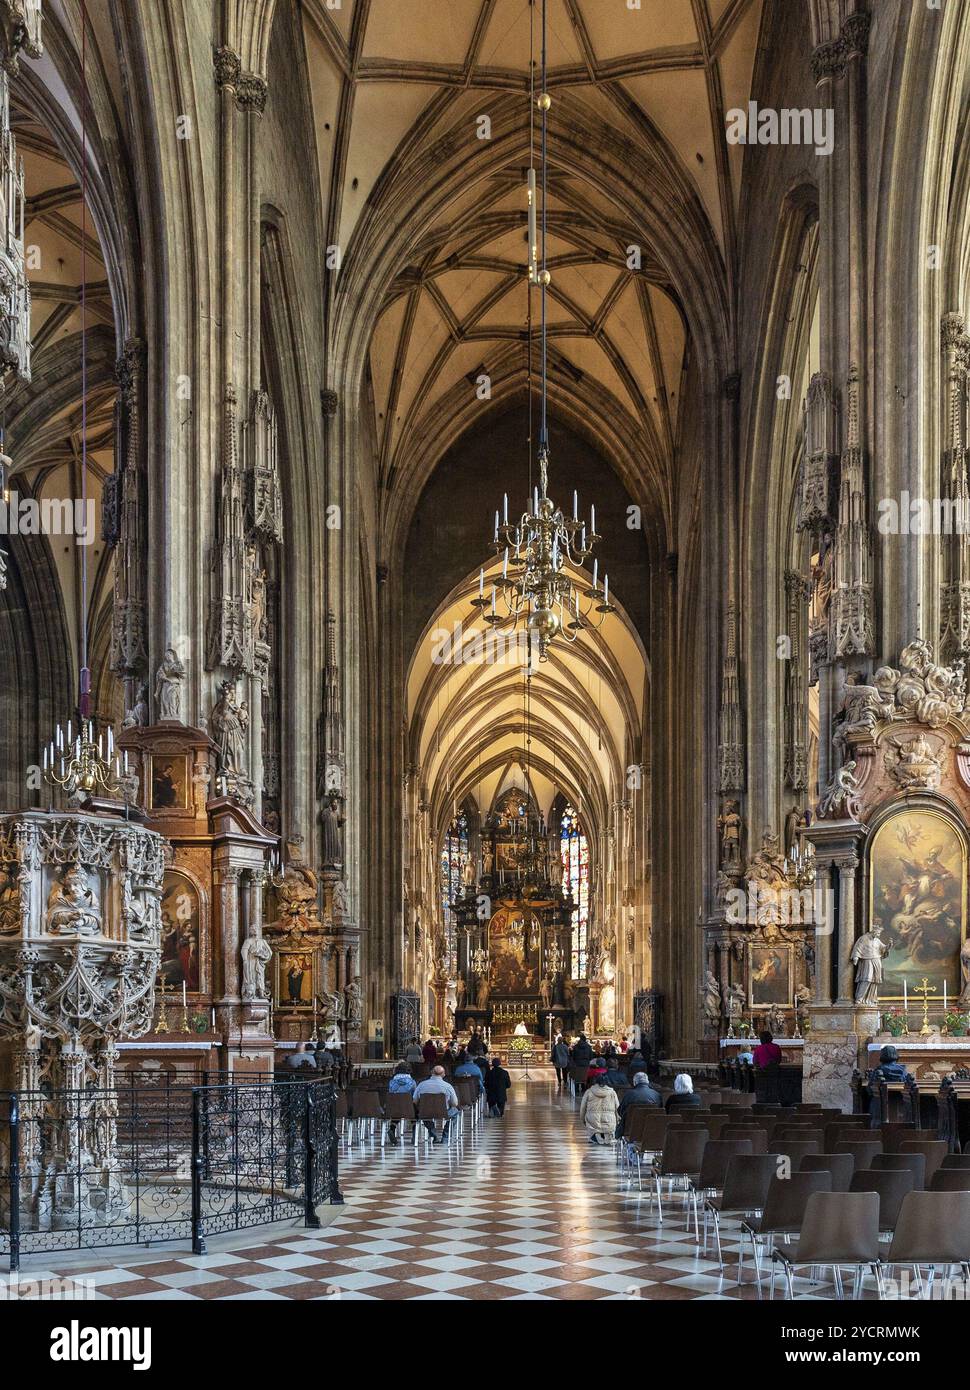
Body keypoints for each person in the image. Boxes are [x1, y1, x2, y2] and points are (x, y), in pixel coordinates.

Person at [412, 1065, 460, 1143]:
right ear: (443, 1074)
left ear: (432, 1073)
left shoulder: (421, 1085)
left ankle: (433, 1134)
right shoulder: (448, 1086)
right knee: (455, 1112)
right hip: (444, 1112)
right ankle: (445, 1137)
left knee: (424, 1113)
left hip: (425, 1112)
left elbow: (414, 1101)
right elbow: (455, 1103)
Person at [616, 1071, 663, 1137]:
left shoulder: (629, 1094)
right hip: (651, 1129)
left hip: (631, 1130)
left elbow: (620, 1112)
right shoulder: (657, 1095)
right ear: (647, 1082)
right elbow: (660, 1112)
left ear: (635, 1082)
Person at [579, 1072, 620, 1145]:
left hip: (593, 1122)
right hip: (609, 1121)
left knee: (594, 1123)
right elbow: (617, 1108)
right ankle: (607, 1135)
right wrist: (617, 1121)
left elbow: (582, 1108)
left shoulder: (589, 1092)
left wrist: (583, 1120)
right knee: (608, 1126)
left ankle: (596, 1135)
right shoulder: (612, 1093)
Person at [386, 1062, 416, 1143]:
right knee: (414, 1113)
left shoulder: (391, 1082)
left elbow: (391, 1093)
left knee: (397, 1112)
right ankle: (414, 1133)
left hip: (394, 1108)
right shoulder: (412, 1082)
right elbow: (414, 1096)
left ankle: (392, 1129)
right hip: (409, 1108)